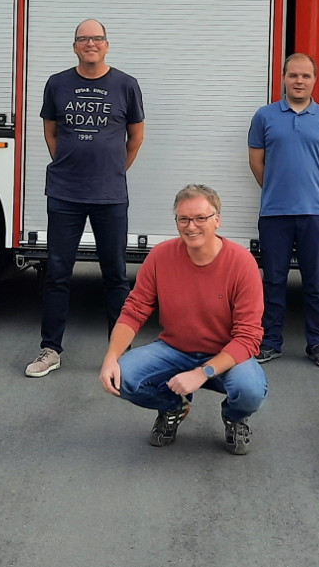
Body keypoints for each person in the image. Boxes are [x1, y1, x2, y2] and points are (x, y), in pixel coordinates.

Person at [99, 184, 267, 454]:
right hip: (175, 349)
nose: (191, 226)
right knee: (123, 377)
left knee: (250, 390)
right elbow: (134, 309)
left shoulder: (242, 263)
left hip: (226, 354)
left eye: (201, 218)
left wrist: (202, 372)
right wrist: (111, 357)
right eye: (184, 219)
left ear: (217, 220)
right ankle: (174, 407)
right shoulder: (160, 256)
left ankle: (235, 418)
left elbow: (249, 337)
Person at [26, 18, 145, 377]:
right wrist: (66, 164)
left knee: (116, 275)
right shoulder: (57, 84)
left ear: (107, 45)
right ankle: (50, 350)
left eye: (97, 38)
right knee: (58, 273)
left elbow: (135, 137)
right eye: (83, 39)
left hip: (110, 195)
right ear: (75, 46)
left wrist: (113, 170)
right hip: (65, 193)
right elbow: (50, 132)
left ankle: (121, 354)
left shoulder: (126, 85)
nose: (90, 44)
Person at [247, 53, 319, 368]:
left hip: (315, 214)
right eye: (293, 75)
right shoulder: (264, 116)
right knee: (273, 281)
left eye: (305, 76)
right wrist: (277, 189)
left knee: (315, 281)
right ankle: (270, 341)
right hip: (274, 213)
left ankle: (318, 344)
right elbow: (256, 161)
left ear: (315, 80)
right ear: (284, 78)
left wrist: (317, 193)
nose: (299, 81)